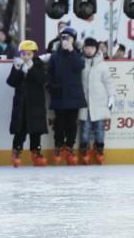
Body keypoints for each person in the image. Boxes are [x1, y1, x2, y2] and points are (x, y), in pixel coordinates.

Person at [6, 40, 49, 167]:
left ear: (34, 54)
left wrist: (31, 68)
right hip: (21, 104)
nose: (26, 57)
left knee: (36, 131)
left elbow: (42, 80)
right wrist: (17, 70)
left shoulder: (39, 64)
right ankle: (16, 151)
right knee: (20, 130)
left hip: (36, 104)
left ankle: (36, 152)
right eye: (23, 54)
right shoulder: (18, 64)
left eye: (29, 54)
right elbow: (11, 82)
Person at [47, 26, 86, 165]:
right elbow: (49, 73)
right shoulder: (55, 55)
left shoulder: (77, 54)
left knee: (71, 123)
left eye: (68, 38)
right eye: (63, 37)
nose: (65, 40)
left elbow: (80, 66)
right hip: (59, 94)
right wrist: (52, 87)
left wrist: (71, 50)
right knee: (59, 122)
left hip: (74, 95)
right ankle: (58, 145)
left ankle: (69, 146)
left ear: (73, 40)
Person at [78, 37, 114, 165]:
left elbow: (109, 82)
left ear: (96, 49)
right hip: (84, 103)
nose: (89, 50)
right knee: (85, 128)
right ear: (83, 48)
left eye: (92, 48)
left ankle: (99, 149)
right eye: (87, 47)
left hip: (99, 102)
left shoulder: (102, 65)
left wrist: (111, 96)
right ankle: (85, 150)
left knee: (99, 129)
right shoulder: (80, 62)